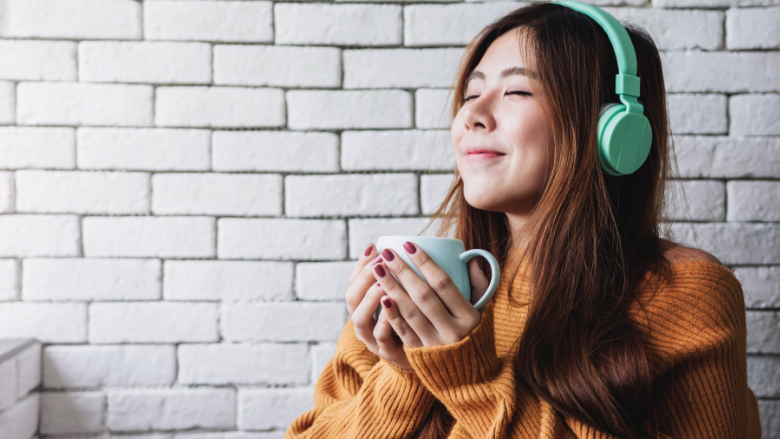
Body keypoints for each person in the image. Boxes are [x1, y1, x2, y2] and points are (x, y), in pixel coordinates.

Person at [285, 1, 762, 438]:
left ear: (610, 131)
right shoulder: (426, 291)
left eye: (516, 90)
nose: (473, 114)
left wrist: (468, 377)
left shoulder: (687, 293)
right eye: (471, 94)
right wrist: (406, 374)